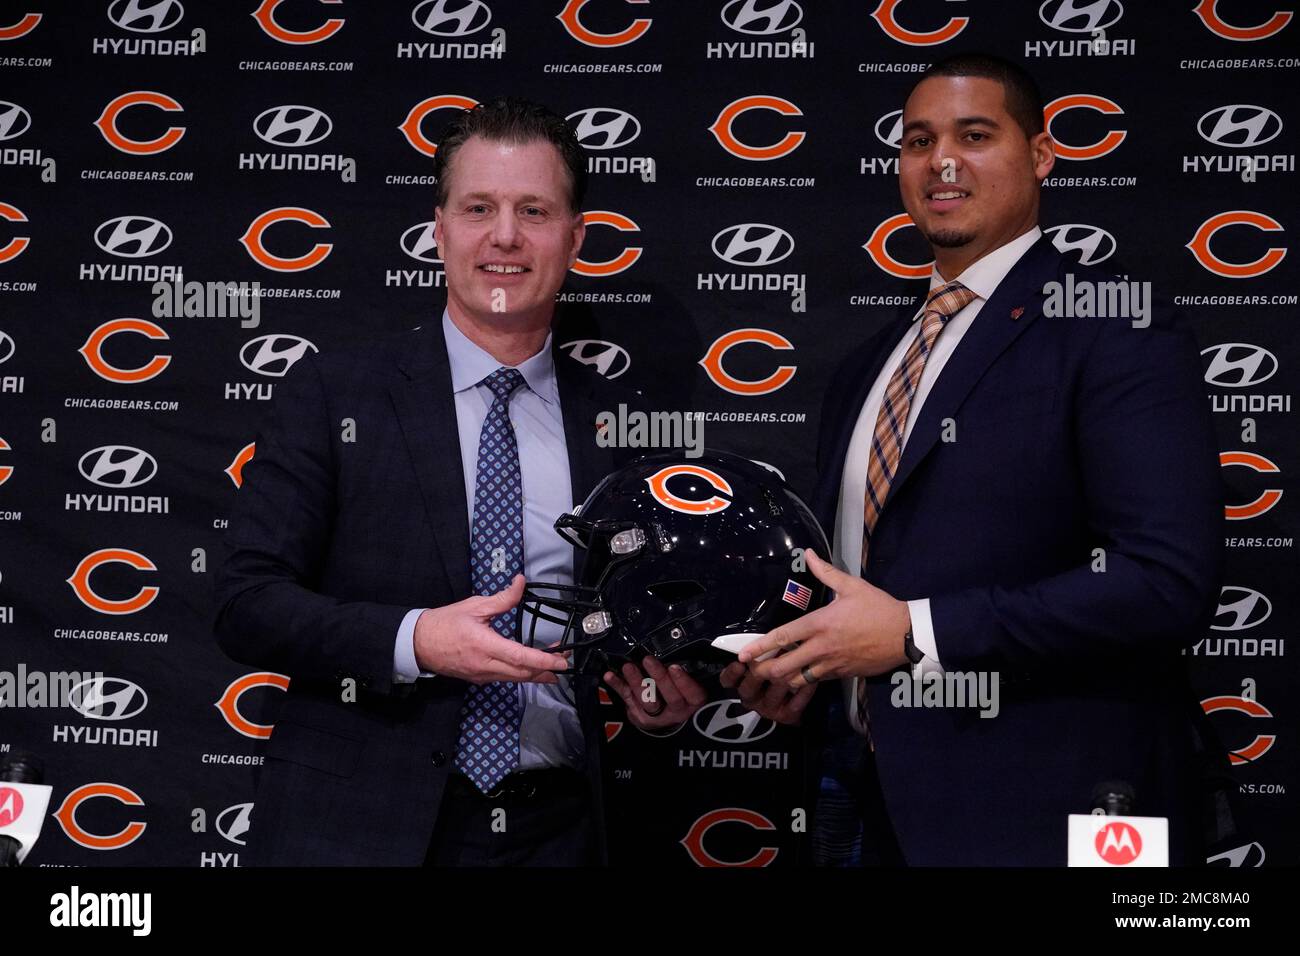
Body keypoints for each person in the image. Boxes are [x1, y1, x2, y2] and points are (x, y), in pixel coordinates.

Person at [731, 53, 1223, 865]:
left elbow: (1164, 582)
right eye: (919, 140)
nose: (942, 160)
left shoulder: (1111, 328)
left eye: (975, 134)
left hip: (1040, 812)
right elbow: (858, 585)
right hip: (854, 804)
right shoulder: (868, 366)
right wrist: (799, 665)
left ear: (1040, 154)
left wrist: (915, 633)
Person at [214, 98, 706, 867]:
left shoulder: (622, 430)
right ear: (438, 228)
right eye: (479, 207)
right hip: (353, 828)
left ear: (575, 238)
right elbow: (245, 604)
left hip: (561, 834)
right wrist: (417, 640)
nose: (504, 236)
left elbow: (641, 633)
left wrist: (657, 706)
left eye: (534, 211)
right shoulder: (334, 393)